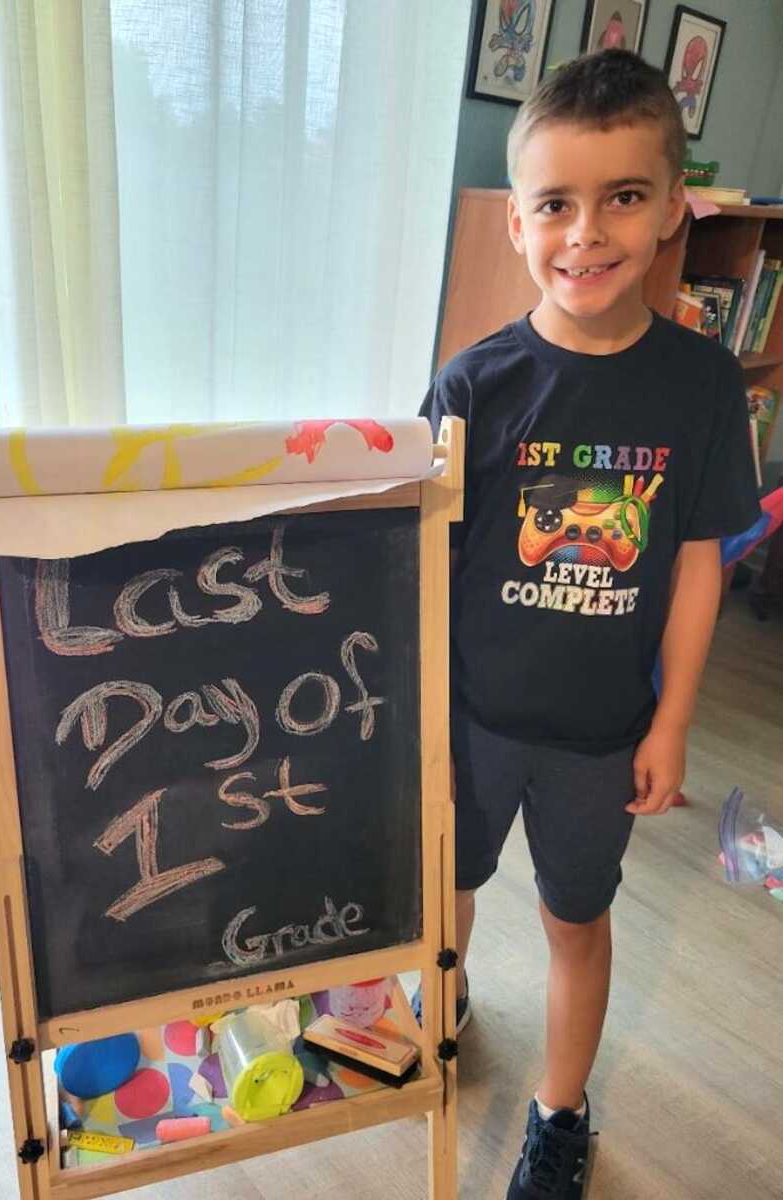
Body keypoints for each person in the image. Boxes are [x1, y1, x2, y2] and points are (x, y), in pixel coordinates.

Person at [418, 48, 760, 1200]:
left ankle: (560, 1114)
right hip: (469, 719)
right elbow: (425, 556)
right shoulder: (474, 385)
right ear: (516, 224)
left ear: (672, 212)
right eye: (555, 203)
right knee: (447, 891)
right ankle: (444, 994)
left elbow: (700, 566)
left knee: (577, 923)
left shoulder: (705, 388)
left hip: (601, 737)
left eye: (622, 197)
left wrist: (671, 723)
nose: (587, 231)